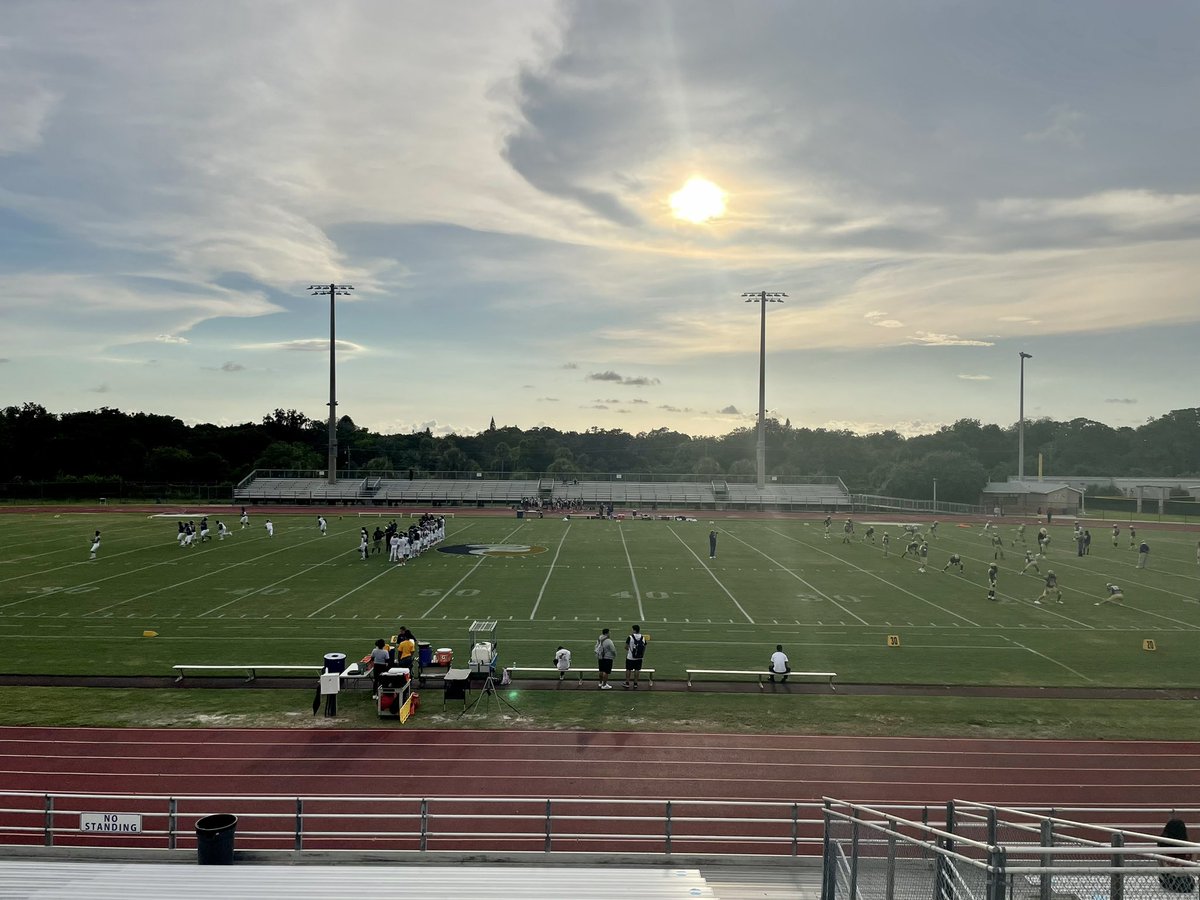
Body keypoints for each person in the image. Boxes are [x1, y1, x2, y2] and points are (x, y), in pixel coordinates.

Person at [1158, 819, 1195, 893]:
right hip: (1184, 878)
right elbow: (1193, 864)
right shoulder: (1190, 846)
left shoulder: (1162, 845)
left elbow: (1163, 866)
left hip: (1169, 879)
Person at [623, 624, 649, 689]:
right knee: (637, 670)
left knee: (628, 669)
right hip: (639, 657)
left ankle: (627, 683)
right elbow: (644, 646)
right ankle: (635, 683)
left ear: (634, 630)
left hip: (630, 657)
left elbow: (626, 647)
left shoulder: (630, 637)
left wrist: (630, 650)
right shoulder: (643, 637)